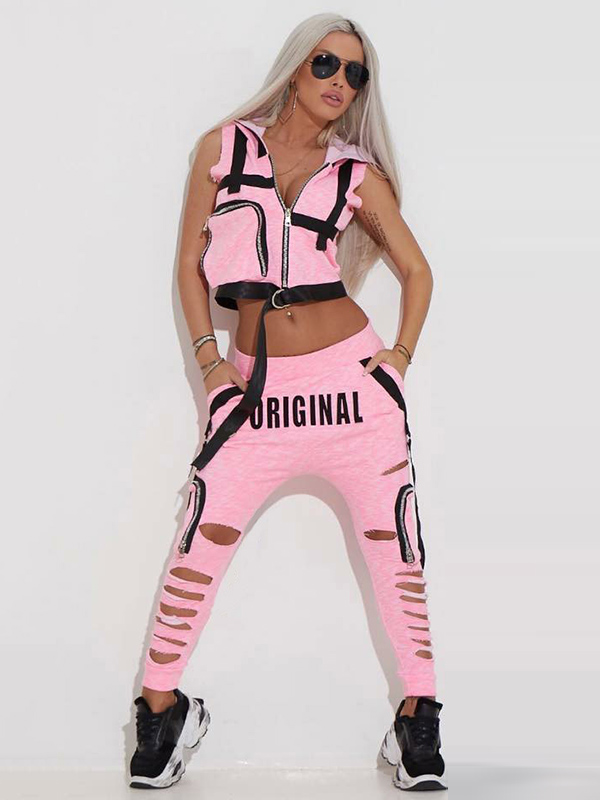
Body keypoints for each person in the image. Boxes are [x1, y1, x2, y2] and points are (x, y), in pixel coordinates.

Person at [129, 13, 447, 793]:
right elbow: (188, 268)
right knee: (199, 542)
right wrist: (210, 367)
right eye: (326, 64)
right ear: (296, 68)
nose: (341, 82)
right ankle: (159, 715)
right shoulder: (224, 148)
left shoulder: (355, 173)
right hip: (254, 397)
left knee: (395, 552)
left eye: (356, 74)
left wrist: (396, 362)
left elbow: (418, 272)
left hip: (354, 395)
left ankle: (419, 722)